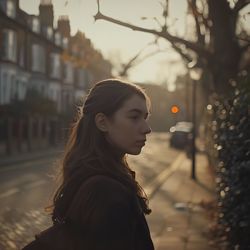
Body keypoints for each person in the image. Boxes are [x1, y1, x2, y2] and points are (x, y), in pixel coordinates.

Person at [23, 79, 154, 250]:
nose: (146, 128)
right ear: (102, 122)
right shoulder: (105, 191)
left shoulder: (99, 178)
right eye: (134, 117)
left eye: (145, 117)